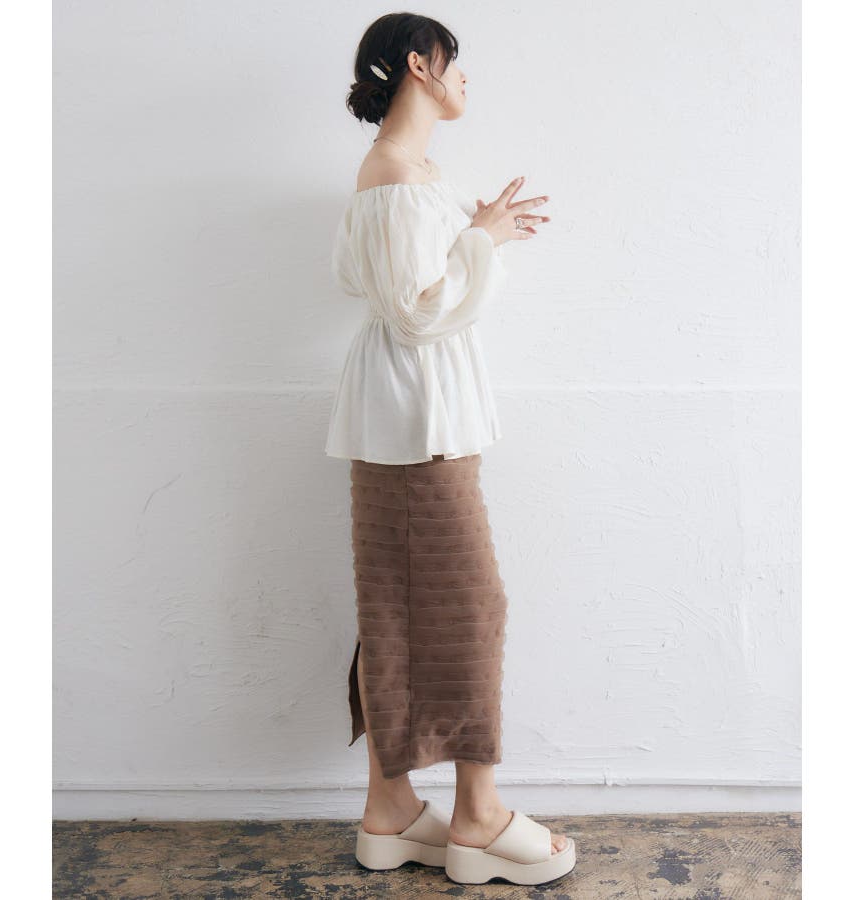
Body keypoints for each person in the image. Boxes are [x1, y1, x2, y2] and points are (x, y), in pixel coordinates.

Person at [326, 12, 576, 887]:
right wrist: (483, 239)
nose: (465, 78)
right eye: (455, 62)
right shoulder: (393, 174)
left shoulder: (415, 175)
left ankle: (392, 810)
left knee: (406, 607)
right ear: (420, 65)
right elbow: (414, 310)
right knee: (468, 604)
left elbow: (391, 281)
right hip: (412, 421)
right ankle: (475, 815)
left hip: (420, 418)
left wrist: (476, 226)